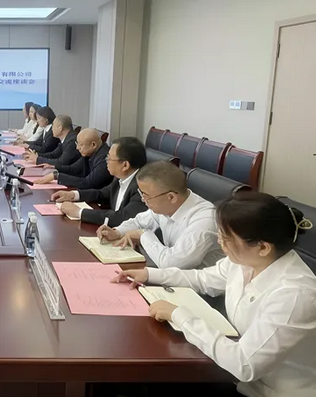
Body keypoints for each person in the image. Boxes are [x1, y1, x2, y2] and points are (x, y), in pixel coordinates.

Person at [115, 192, 316, 397]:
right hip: (231, 374)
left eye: (226, 238)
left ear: (263, 247)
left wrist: (179, 315)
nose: (219, 242)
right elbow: (203, 279)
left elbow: (245, 364)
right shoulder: (248, 261)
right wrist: (149, 274)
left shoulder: (295, 295)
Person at [98, 161, 223, 269]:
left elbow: (172, 263)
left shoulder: (204, 220)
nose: (143, 200)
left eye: (147, 196)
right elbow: (138, 222)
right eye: (142, 194)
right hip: (171, 277)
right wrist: (117, 232)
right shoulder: (166, 204)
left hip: (197, 286)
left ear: (171, 197)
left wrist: (143, 235)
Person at [52, 137, 147, 227]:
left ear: (125, 165)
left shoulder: (142, 188)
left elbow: (123, 218)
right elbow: (102, 194)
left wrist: (79, 212)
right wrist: (73, 195)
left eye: (109, 158)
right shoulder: (120, 178)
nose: (106, 161)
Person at [35, 128, 112, 190]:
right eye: (77, 144)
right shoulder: (89, 152)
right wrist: (54, 167)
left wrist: (57, 176)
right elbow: (73, 169)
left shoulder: (104, 159)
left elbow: (87, 183)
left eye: (81, 145)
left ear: (93, 145)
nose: (77, 148)